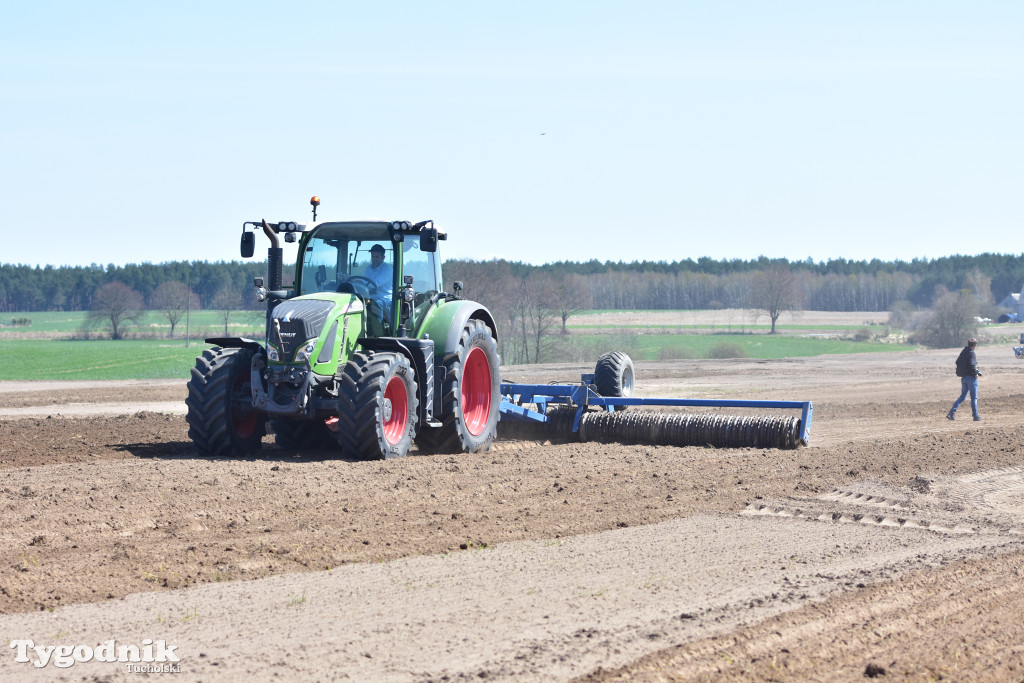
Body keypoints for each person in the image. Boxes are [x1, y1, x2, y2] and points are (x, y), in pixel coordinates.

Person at [947, 338, 982, 421]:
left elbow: (957, 362)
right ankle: (976, 416)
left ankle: (951, 413)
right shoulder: (972, 353)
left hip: (964, 378)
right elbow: (972, 365)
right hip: (971, 378)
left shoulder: (964, 351)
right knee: (974, 398)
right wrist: (975, 374)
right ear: (975, 345)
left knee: (962, 396)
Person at [362, 243, 393, 321]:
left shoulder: (387, 269)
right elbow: (364, 282)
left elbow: (375, 284)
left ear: (383, 258)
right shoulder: (368, 268)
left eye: (377, 257)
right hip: (370, 297)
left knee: (376, 304)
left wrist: (361, 282)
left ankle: (378, 328)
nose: (374, 259)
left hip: (385, 298)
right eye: (373, 256)